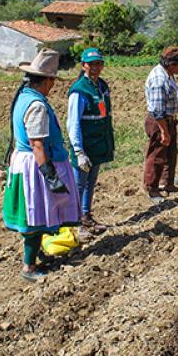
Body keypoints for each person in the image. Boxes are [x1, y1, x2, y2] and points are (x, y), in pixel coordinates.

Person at [3, 49, 81, 282]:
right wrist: (50, 175)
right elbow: (37, 144)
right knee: (34, 217)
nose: (53, 86)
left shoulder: (23, 96)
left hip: (25, 162)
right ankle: (29, 267)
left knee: (37, 213)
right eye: (52, 81)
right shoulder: (36, 105)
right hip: (34, 166)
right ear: (47, 80)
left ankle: (37, 254)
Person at [67, 47, 115, 239]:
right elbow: (73, 123)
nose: (95, 67)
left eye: (98, 64)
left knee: (91, 182)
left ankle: (86, 216)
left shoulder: (101, 86)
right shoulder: (79, 91)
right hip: (85, 146)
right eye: (91, 64)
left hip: (97, 145)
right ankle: (76, 223)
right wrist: (78, 151)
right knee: (79, 185)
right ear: (83, 66)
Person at [143, 46, 178, 204]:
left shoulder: (169, 75)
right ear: (171, 64)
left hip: (169, 120)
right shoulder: (159, 79)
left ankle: (166, 183)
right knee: (157, 155)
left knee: (170, 153)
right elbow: (157, 110)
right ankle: (151, 188)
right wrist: (164, 131)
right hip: (160, 121)